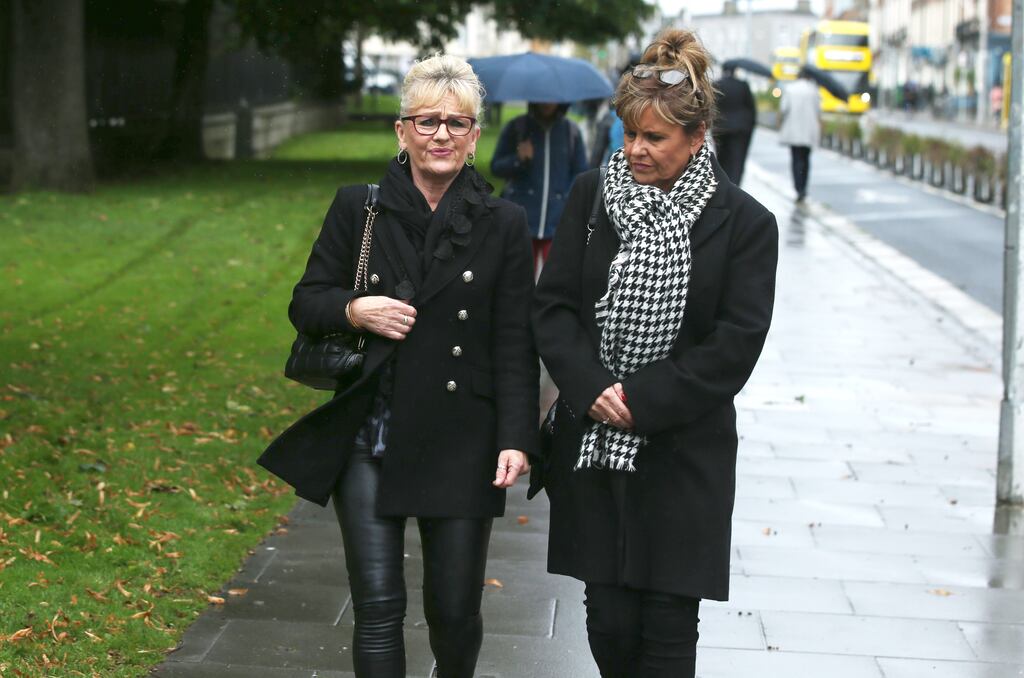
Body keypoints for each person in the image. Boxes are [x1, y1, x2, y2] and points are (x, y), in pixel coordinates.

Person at [258, 54, 538, 678]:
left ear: (475, 137)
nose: (441, 134)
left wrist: (517, 438)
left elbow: (517, 342)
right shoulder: (359, 208)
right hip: (371, 432)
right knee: (378, 607)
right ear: (402, 130)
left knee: (454, 610)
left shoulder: (504, 225)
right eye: (427, 120)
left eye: (457, 124)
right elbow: (306, 301)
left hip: (464, 435)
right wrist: (355, 309)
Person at [532, 28, 778, 678]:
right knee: (608, 624)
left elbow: (736, 342)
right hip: (594, 449)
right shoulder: (591, 197)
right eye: (629, 133)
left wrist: (639, 402)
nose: (635, 150)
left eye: (654, 138)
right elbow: (553, 307)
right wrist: (592, 390)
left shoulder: (745, 222)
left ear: (697, 139)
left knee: (667, 630)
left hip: (682, 455)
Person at [491, 101, 588, 273]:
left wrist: (567, 201)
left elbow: (580, 173)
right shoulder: (517, 127)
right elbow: (496, 166)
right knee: (520, 280)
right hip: (522, 219)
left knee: (555, 281)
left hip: (557, 222)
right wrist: (518, 159)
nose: (547, 103)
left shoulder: (570, 132)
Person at [778, 67, 821, 202]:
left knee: (796, 159)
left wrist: (779, 123)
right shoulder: (813, 90)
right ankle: (803, 188)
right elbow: (818, 111)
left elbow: (784, 108)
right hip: (809, 129)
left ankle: (797, 187)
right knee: (806, 159)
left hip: (793, 128)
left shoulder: (790, 89)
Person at [712, 64, 757, 185]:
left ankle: (723, 183)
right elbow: (751, 108)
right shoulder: (743, 85)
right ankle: (735, 184)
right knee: (737, 159)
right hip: (740, 129)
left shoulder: (717, 84)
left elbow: (711, 107)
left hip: (720, 127)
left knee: (722, 157)